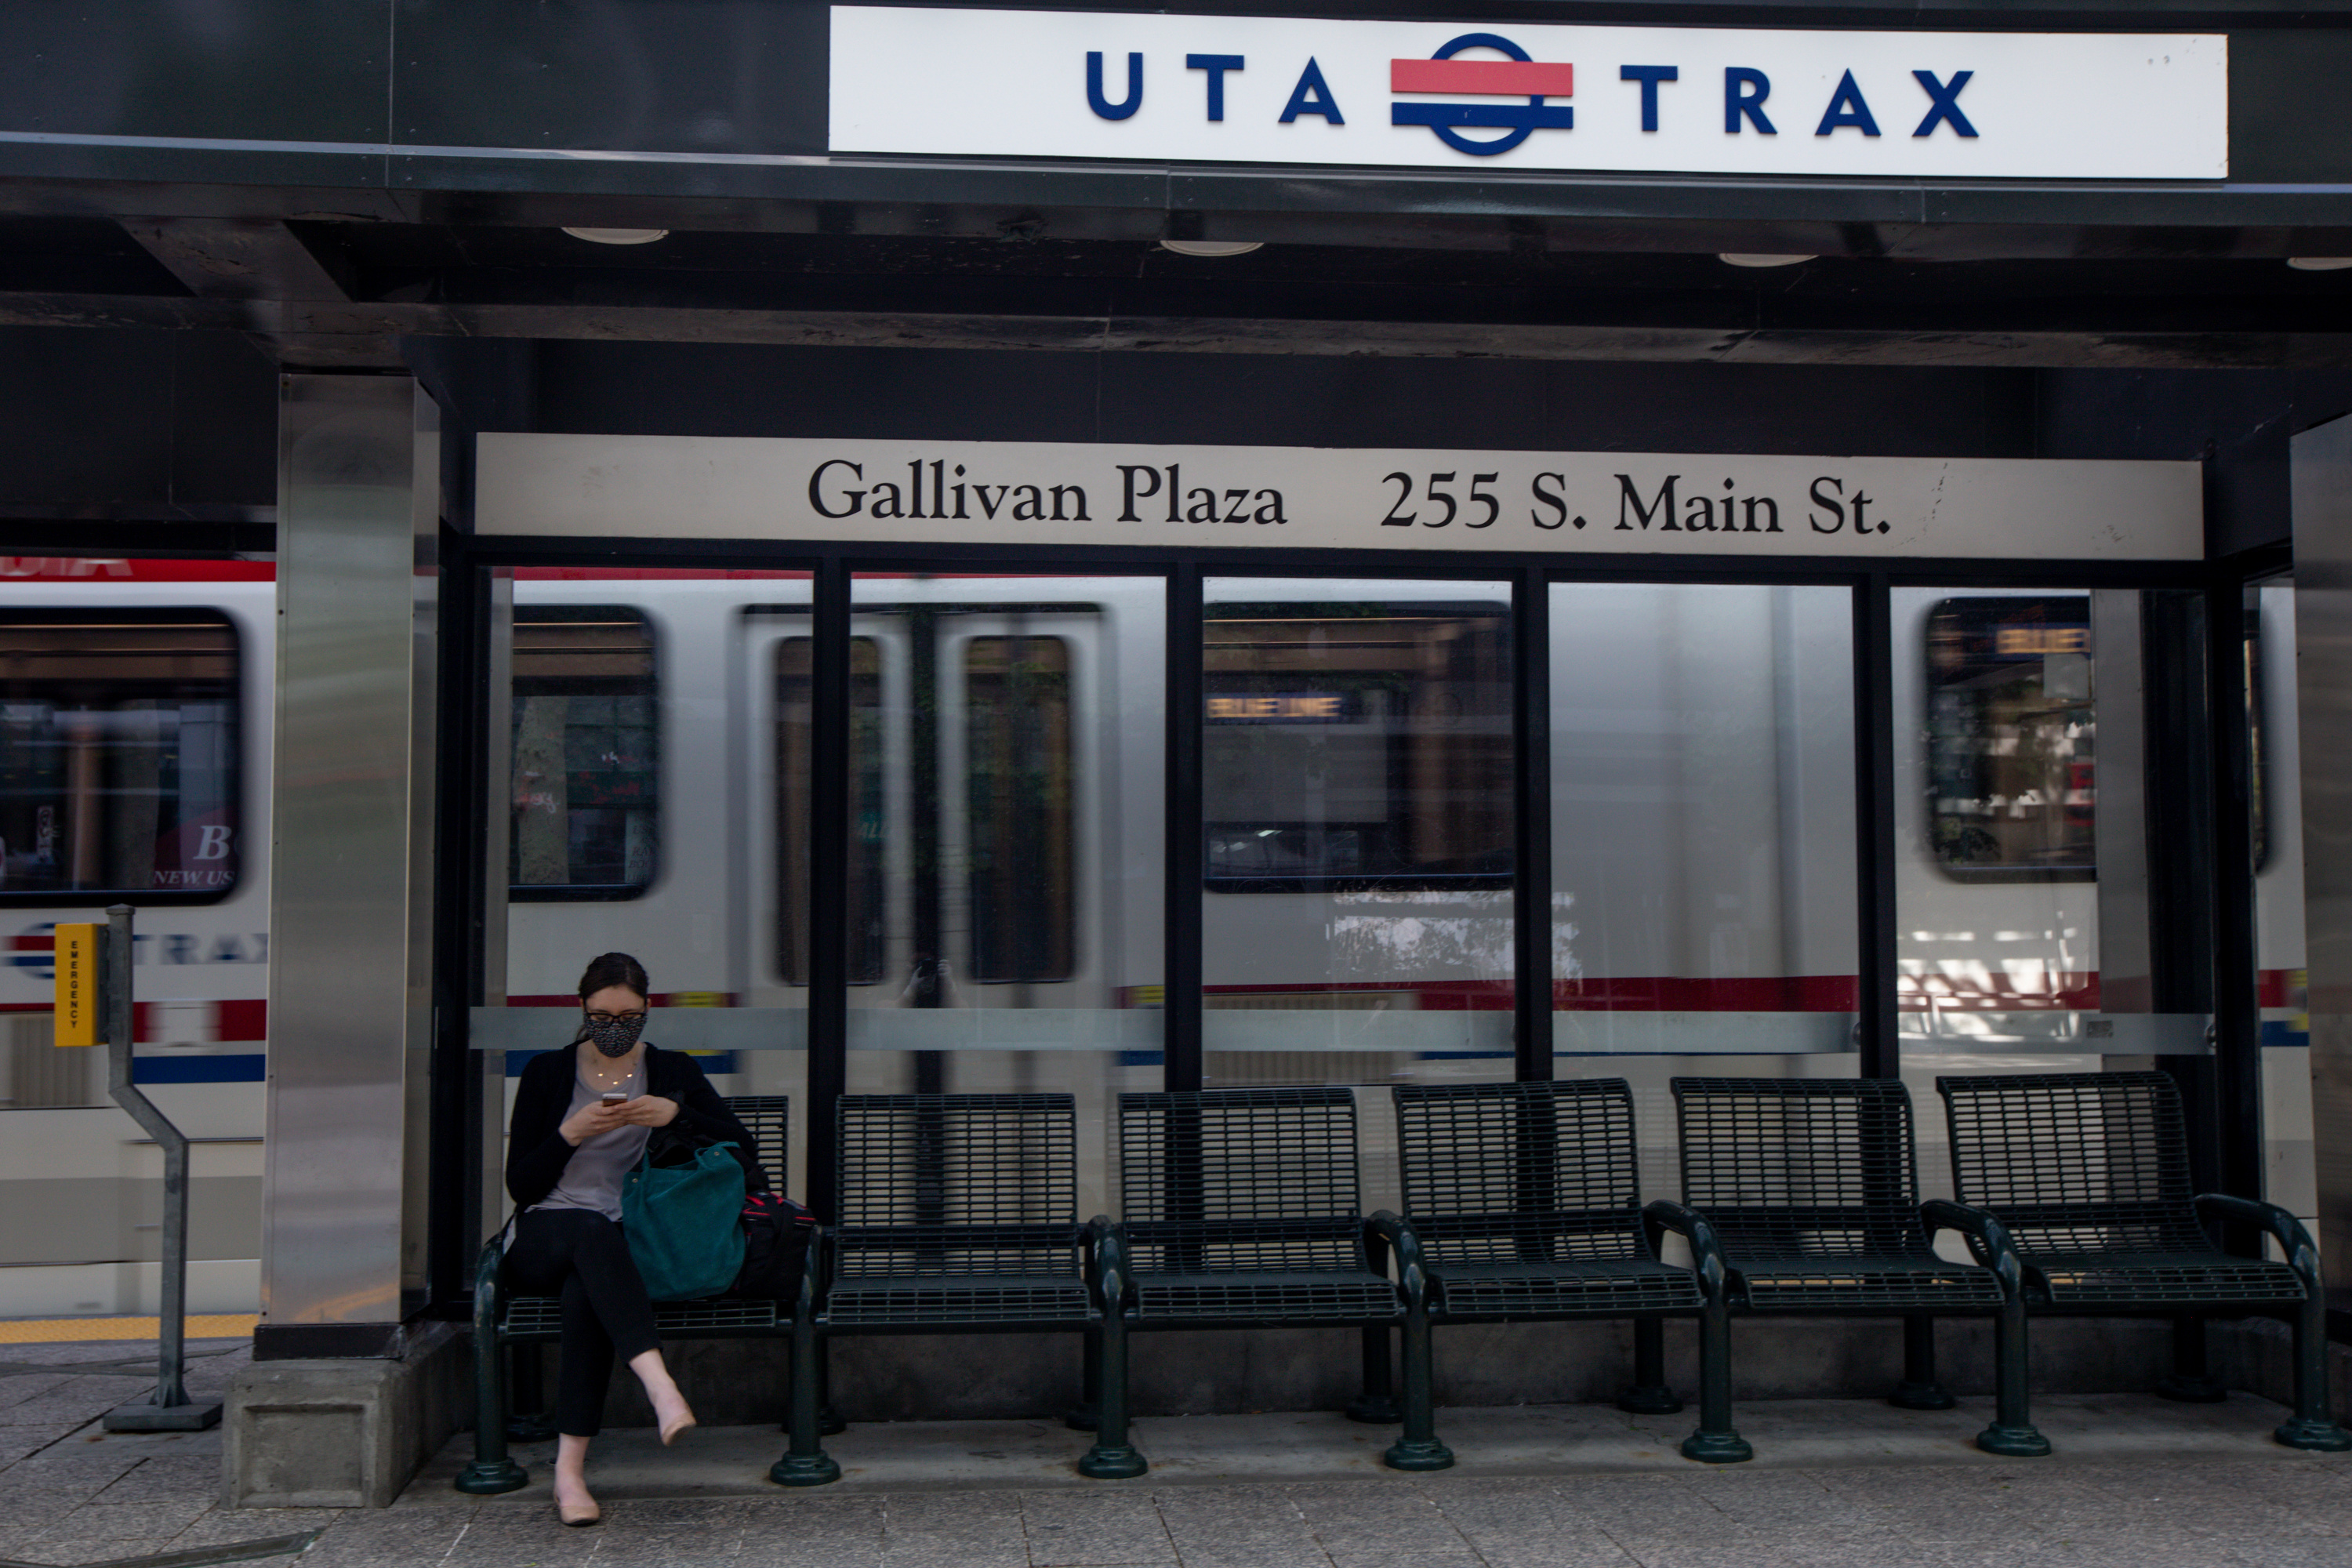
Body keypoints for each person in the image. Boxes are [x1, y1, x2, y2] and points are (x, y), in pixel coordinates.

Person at [503, 952, 766, 1525]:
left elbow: (744, 1153)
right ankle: (658, 1383)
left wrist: (675, 1114)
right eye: (602, 1016)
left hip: (622, 1241)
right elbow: (520, 1184)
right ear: (583, 1009)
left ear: (647, 1011)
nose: (614, 1028)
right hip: (546, 1231)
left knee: (586, 1293)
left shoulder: (672, 1071)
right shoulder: (549, 1074)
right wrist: (569, 1132)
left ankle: (569, 1474)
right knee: (590, 1233)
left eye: (628, 1015)